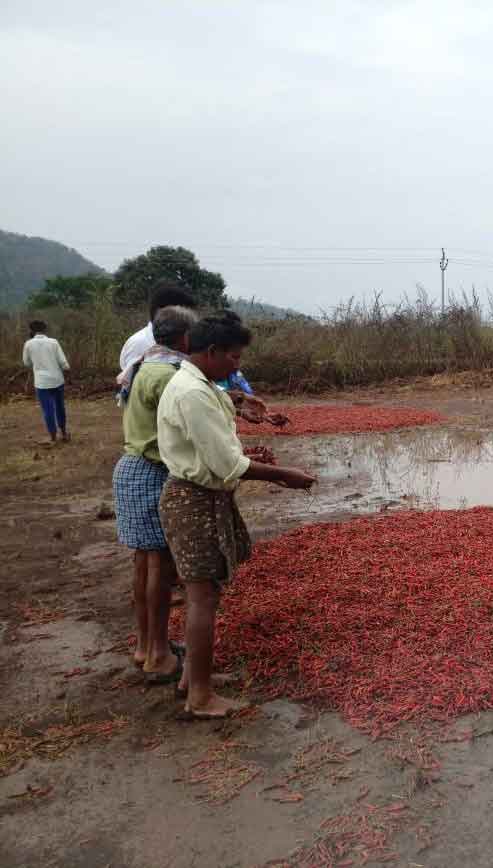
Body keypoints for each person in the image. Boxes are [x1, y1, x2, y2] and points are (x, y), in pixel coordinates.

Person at [157, 312, 316, 718]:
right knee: (202, 597)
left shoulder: (200, 384)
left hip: (203, 497)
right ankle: (200, 698)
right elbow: (228, 464)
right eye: (234, 357)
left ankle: (193, 678)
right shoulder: (192, 393)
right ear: (211, 351)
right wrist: (284, 476)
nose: (237, 365)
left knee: (207, 591)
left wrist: (242, 404)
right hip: (193, 500)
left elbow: (223, 422)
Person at [113, 306, 198, 682]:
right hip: (152, 471)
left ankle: (145, 646)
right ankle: (159, 655)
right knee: (161, 567)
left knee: (144, 562)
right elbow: (187, 426)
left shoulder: (144, 364)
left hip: (132, 468)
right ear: (185, 338)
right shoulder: (168, 376)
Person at [117, 282, 199, 403]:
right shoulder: (140, 343)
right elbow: (134, 392)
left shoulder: (175, 339)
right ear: (161, 312)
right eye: (183, 311)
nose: (189, 316)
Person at [22, 320, 71, 443]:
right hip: (57, 380)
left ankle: (53, 437)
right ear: (44, 330)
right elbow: (63, 363)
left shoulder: (28, 344)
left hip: (41, 383)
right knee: (60, 407)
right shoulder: (53, 342)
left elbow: (26, 363)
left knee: (47, 410)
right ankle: (64, 433)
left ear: (31, 330)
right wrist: (67, 370)